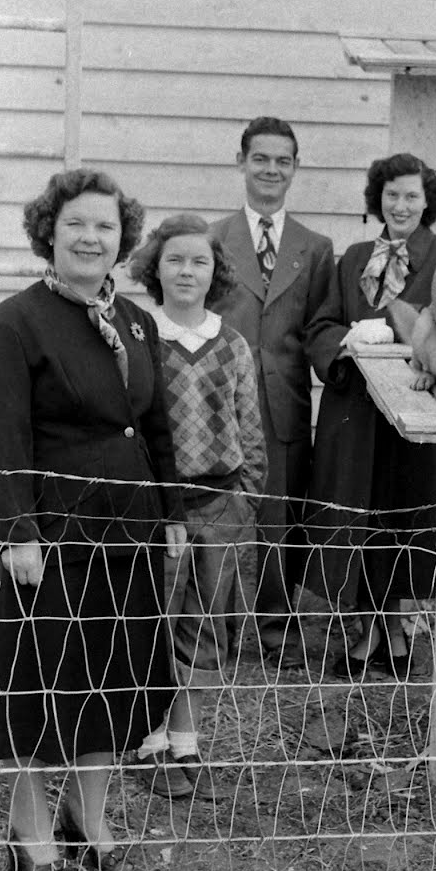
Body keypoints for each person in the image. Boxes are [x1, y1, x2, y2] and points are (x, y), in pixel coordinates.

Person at [0, 168, 187, 871]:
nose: (92, 237)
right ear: (48, 233)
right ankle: (30, 831)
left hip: (131, 530)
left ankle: (88, 820)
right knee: (42, 681)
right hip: (55, 537)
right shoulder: (11, 324)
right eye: (76, 224)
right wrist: (18, 533)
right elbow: (4, 439)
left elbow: (153, 425)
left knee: (112, 682)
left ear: (123, 237)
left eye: (105, 225)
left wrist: (171, 512)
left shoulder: (136, 322)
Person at [126, 214, 265, 801]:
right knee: (152, 621)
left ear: (216, 272)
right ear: (155, 268)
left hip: (219, 503)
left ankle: (186, 742)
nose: (187, 271)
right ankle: (147, 742)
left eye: (199, 261)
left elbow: (250, 428)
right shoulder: (137, 335)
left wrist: (245, 498)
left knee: (204, 623)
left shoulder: (231, 344)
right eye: (175, 260)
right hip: (159, 506)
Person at [305, 153, 436, 678]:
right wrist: (347, 340)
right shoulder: (354, 258)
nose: (401, 205)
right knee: (358, 517)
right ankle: (372, 632)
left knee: (402, 514)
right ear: (378, 200)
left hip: (415, 407)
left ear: (428, 201)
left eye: (412, 195)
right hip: (356, 411)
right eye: (392, 195)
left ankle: (393, 631)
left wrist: (398, 333)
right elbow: (320, 325)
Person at [209, 118, 334, 663]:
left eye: (283, 160)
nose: (271, 170)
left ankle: (277, 627)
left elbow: (321, 326)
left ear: (295, 168)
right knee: (217, 513)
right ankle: (215, 629)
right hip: (220, 400)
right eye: (261, 158)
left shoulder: (315, 247)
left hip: (285, 403)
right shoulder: (211, 240)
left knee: (279, 518)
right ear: (241, 162)